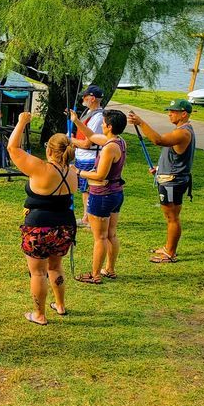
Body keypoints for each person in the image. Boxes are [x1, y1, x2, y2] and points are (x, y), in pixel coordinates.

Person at [8, 112, 79, 322]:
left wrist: (21, 122)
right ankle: (60, 305)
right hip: (65, 227)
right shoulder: (72, 173)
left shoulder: (41, 168)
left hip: (39, 227)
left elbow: (13, 148)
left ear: (49, 150)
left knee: (38, 273)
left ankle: (39, 314)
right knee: (55, 267)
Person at [127, 99, 196, 264]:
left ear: (184, 114)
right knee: (171, 216)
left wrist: (141, 123)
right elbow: (176, 157)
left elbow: (158, 140)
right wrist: (160, 168)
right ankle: (168, 248)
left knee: (172, 217)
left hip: (172, 182)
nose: (169, 114)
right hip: (171, 178)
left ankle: (170, 253)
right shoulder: (182, 130)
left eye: (173, 111)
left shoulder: (183, 133)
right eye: (169, 111)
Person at [68, 108, 128, 284]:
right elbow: (92, 136)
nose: (101, 125)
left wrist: (78, 172)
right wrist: (77, 121)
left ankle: (95, 275)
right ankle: (109, 269)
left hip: (102, 195)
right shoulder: (119, 142)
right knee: (111, 234)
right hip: (116, 193)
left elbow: (100, 175)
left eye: (103, 123)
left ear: (109, 127)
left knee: (100, 237)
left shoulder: (109, 148)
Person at [70, 85, 106, 227]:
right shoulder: (88, 112)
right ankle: (86, 217)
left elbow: (86, 143)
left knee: (89, 189)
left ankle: (90, 218)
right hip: (81, 156)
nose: (83, 99)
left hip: (90, 157)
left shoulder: (98, 117)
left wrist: (70, 140)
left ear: (92, 98)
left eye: (85, 96)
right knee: (84, 190)